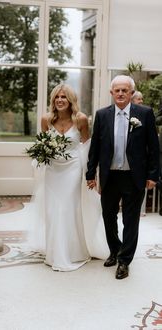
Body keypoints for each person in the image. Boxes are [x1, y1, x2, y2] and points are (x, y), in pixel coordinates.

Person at [86, 75, 160, 279]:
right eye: (117, 90)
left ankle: (124, 261)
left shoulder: (144, 114)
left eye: (124, 90)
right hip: (110, 176)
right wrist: (91, 174)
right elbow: (96, 148)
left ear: (131, 93)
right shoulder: (102, 115)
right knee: (108, 216)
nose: (120, 93)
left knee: (131, 220)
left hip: (134, 176)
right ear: (111, 93)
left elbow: (153, 147)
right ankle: (114, 250)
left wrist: (154, 175)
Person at [33, 84, 108, 271]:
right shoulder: (46, 119)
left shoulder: (81, 119)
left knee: (67, 208)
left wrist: (90, 173)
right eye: (57, 97)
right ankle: (55, 252)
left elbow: (87, 146)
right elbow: (42, 144)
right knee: (53, 210)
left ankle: (73, 252)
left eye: (64, 97)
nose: (59, 100)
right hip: (52, 170)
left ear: (70, 100)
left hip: (73, 168)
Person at [131, 91, 146, 216]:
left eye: (142, 99)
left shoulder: (146, 114)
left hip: (139, 165)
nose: (141, 101)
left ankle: (142, 210)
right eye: (138, 99)